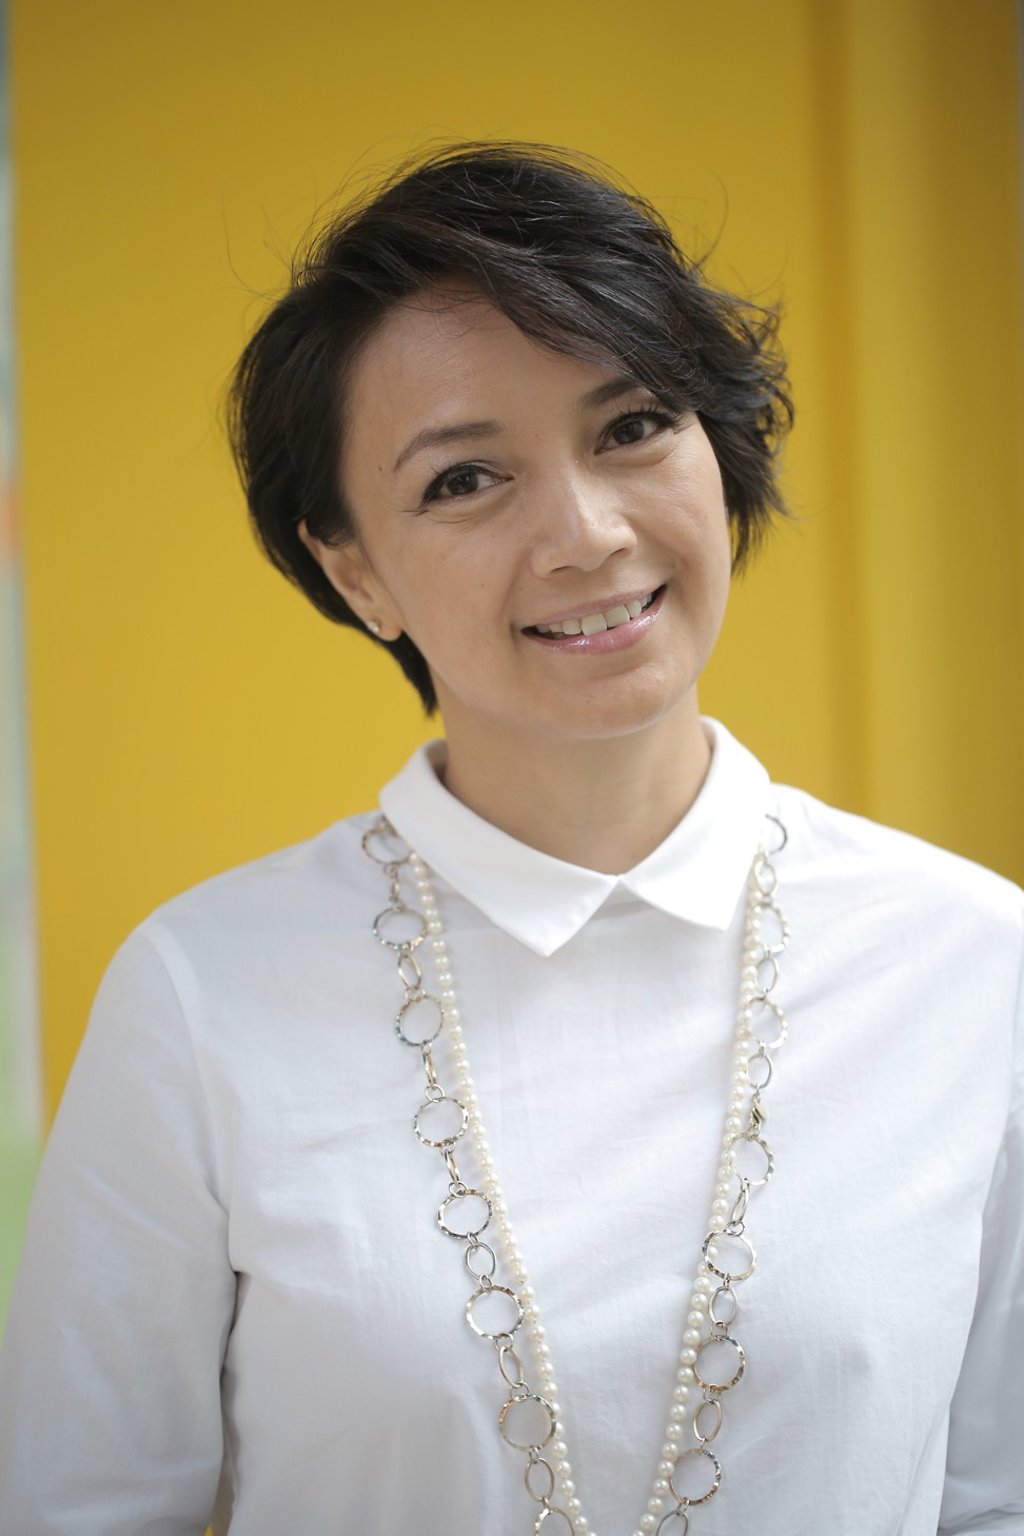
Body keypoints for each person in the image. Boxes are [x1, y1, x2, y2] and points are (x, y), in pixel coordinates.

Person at [0, 143, 1021, 1536]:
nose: (587, 534)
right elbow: (80, 1511)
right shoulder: (202, 993)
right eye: (467, 479)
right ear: (355, 570)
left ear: (719, 449)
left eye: (633, 425)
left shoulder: (973, 959)